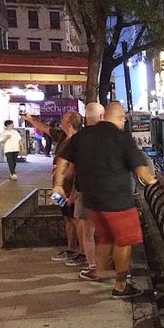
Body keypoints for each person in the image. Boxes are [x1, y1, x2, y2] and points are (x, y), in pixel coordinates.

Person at [54, 102, 157, 299]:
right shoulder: (122, 138)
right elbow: (141, 169)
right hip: (118, 201)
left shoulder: (83, 136)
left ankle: (99, 269)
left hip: (92, 200)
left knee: (106, 237)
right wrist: (151, 180)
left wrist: (58, 184)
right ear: (121, 118)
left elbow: (63, 159)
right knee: (124, 241)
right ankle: (120, 285)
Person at [24, 111, 83, 263]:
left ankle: (83, 252)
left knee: (77, 220)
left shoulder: (78, 141)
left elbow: (77, 169)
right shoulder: (62, 136)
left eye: (63, 119)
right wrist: (30, 119)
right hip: (59, 188)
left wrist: (73, 192)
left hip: (71, 189)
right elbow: (45, 128)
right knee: (67, 218)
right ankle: (71, 248)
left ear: (69, 124)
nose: (60, 121)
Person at [74, 103, 104, 280]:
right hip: (106, 191)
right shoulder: (109, 137)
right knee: (106, 230)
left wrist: (63, 188)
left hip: (85, 191)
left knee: (88, 231)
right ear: (102, 117)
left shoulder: (80, 138)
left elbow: (70, 167)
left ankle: (93, 267)